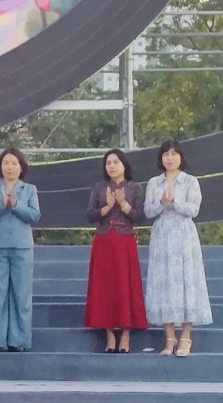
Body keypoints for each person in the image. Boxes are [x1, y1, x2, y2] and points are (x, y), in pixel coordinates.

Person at [144, 140, 212, 357]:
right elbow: (147, 211)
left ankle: (186, 336)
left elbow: (194, 209)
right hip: (162, 234)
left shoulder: (190, 181)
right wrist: (162, 203)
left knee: (186, 282)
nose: (170, 158)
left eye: (174, 154)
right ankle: (169, 336)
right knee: (164, 282)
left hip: (183, 233)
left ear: (181, 157)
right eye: (166, 154)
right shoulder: (154, 182)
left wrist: (175, 203)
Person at [84, 148, 147, 353]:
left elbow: (139, 216)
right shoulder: (99, 188)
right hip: (103, 241)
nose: (111, 166)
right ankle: (110, 334)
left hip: (124, 241)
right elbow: (90, 214)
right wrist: (108, 206)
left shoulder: (135, 188)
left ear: (124, 165)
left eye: (115, 162)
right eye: (108, 163)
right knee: (105, 288)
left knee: (125, 286)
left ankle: (126, 333)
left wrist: (123, 204)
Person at [0, 147, 41, 352]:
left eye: (14, 163)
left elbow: (35, 215)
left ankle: (19, 340)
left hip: (22, 247)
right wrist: (2, 205)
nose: (10, 167)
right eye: (6, 163)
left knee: (21, 295)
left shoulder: (29, 189)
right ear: (0, 166)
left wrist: (15, 204)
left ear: (21, 167)